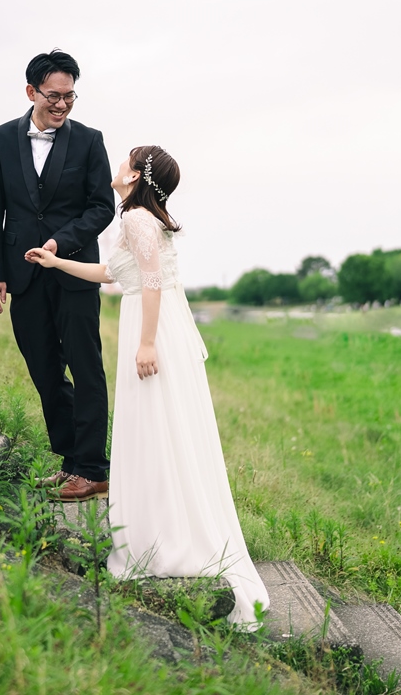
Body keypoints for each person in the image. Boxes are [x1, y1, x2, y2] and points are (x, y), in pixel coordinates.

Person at [25, 145, 270, 628]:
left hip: (152, 329)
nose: (118, 166)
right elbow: (110, 275)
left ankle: (165, 540)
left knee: (156, 428)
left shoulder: (137, 218)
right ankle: (159, 528)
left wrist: (146, 343)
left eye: (126, 161)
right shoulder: (139, 219)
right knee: (158, 430)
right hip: (153, 323)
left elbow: (152, 282)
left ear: (136, 175)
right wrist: (56, 264)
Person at [0, 49, 115, 501]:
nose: (61, 104)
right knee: (44, 369)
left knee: (86, 368)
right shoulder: (0, 139)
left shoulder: (90, 141)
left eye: (69, 96)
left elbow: (101, 207)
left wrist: (61, 241)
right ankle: (72, 461)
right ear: (31, 92)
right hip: (23, 276)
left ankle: (93, 469)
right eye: (53, 96)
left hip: (74, 271)